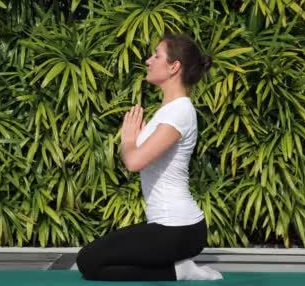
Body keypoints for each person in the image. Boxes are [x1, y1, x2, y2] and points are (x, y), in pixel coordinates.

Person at [75, 33, 223, 281]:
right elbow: (135, 155)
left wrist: (129, 141)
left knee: (89, 262)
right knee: (91, 262)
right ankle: (179, 269)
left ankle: (180, 271)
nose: (148, 60)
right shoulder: (168, 111)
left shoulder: (179, 112)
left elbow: (133, 161)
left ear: (174, 67)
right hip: (169, 226)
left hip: (178, 228)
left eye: (156, 55)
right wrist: (131, 142)